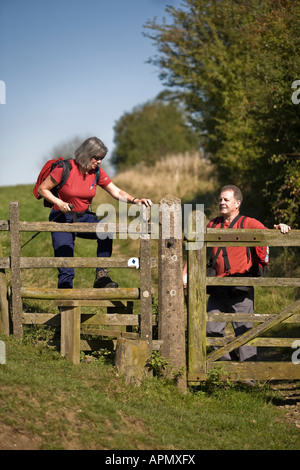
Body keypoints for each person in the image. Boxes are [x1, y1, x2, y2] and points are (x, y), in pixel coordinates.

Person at [182, 184, 291, 362]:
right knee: (210, 329)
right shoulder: (214, 224)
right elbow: (195, 248)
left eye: (226, 199)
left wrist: (281, 227)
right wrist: (184, 274)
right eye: (220, 199)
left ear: (237, 203)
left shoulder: (248, 223)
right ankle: (228, 367)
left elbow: (268, 234)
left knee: (245, 333)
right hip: (218, 287)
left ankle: (249, 377)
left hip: (241, 288)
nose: (222, 202)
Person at [38, 136, 152, 289]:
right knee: (66, 266)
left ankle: (101, 277)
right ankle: (65, 306)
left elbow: (116, 191)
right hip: (61, 218)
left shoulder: (97, 172)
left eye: (101, 158)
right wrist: (59, 203)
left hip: (83, 217)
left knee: (106, 231)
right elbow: (42, 189)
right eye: (96, 158)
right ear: (86, 154)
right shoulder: (65, 169)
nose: (99, 161)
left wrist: (135, 200)